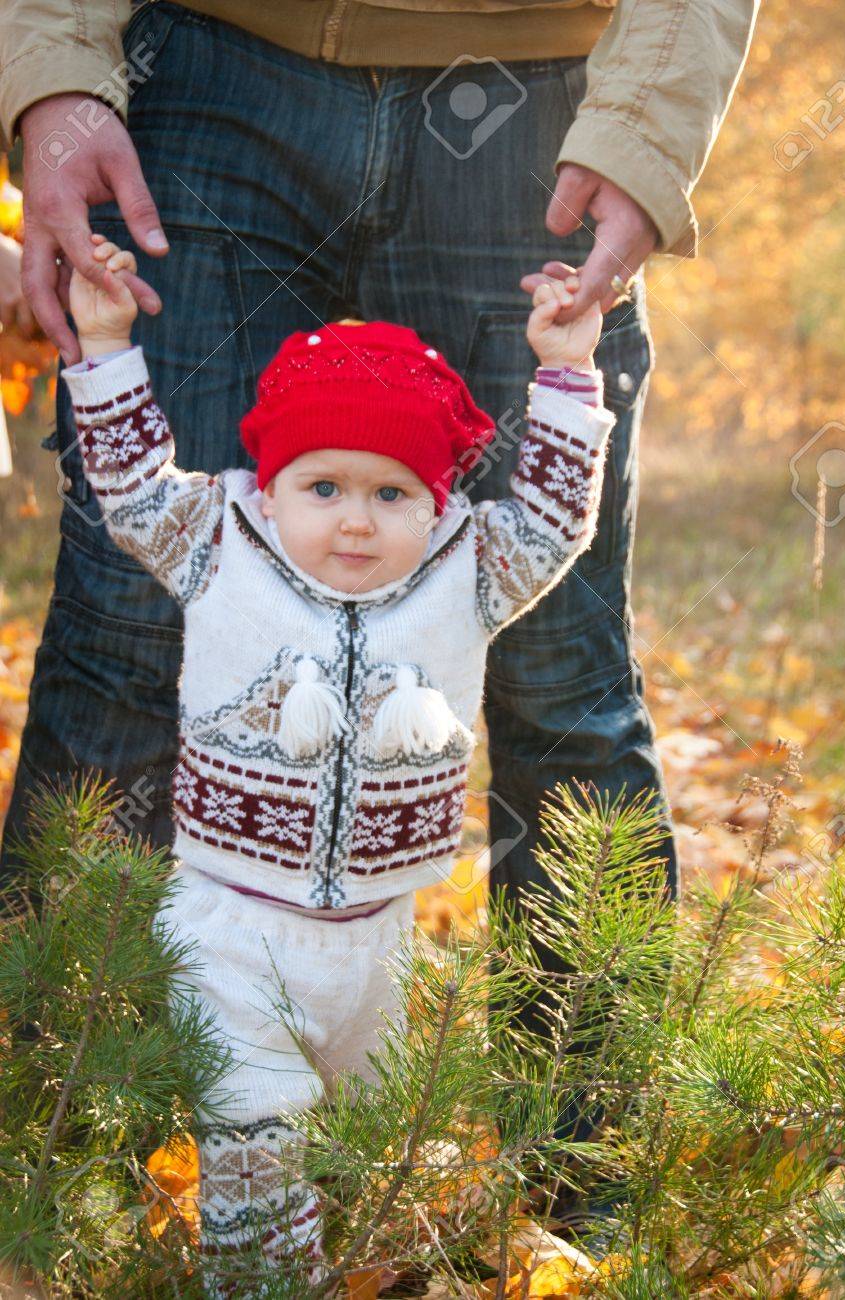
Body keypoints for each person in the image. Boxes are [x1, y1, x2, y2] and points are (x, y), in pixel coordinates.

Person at [0, 0, 758, 1209]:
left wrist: (644, 131)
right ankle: (49, 1164)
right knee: (121, 635)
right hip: (199, 75)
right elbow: (148, 496)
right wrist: (48, 74)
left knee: (561, 668)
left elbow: (540, 531)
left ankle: (579, 1192)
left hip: (539, 107)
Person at [60, 231, 613, 1289]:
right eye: (324, 487)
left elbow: (549, 520)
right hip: (233, 920)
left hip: (377, 935)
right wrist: (104, 342)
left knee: (368, 1143)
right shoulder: (217, 536)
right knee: (253, 1129)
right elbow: (131, 490)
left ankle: (365, 1261)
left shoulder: (470, 565)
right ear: (270, 486)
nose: (355, 520)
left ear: (439, 500)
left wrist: (567, 370)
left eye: (391, 492)